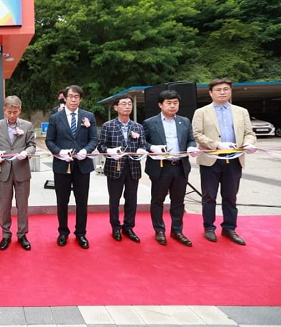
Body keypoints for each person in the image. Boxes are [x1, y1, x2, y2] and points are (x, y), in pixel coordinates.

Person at [192, 78, 257, 245]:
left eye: (226, 89)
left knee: (230, 196)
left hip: (234, 160)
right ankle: (209, 227)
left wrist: (248, 143)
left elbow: (249, 133)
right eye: (218, 90)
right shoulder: (201, 112)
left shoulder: (241, 111)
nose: (222, 92)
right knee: (209, 196)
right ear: (211, 93)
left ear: (230, 91)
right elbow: (197, 134)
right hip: (211, 159)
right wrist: (217, 145)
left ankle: (229, 228)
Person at [143, 90, 199, 247]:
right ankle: (159, 230)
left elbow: (190, 139)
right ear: (160, 105)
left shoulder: (184, 121)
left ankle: (177, 230)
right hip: (161, 167)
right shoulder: (150, 122)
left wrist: (191, 147)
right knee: (158, 200)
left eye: (175, 103)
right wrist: (152, 147)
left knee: (178, 201)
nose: (172, 106)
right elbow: (142, 142)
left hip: (180, 166)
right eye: (169, 103)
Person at [46, 85, 98, 249]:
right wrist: (60, 152)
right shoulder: (55, 118)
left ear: (80, 99)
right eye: (71, 96)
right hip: (62, 166)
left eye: (77, 97)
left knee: (82, 201)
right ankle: (63, 232)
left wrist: (86, 150)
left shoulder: (88, 116)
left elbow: (94, 139)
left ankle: (81, 233)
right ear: (65, 98)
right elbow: (49, 141)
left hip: (82, 165)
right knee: (62, 200)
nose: (73, 100)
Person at [0, 95, 36, 251]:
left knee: (22, 205)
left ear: (20, 110)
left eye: (15, 112)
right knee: (4, 205)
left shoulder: (27, 125)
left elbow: (32, 145)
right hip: (4, 170)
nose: (12, 115)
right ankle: (5, 234)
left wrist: (27, 152)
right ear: (4, 110)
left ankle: (22, 234)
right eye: (9, 112)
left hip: (22, 169)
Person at [97, 95, 148, 243]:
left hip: (133, 167)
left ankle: (128, 227)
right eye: (124, 103)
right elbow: (101, 146)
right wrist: (110, 151)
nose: (127, 106)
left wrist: (141, 151)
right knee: (114, 199)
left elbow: (143, 144)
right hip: (115, 166)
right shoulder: (108, 126)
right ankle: (115, 227)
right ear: (116, 107)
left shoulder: (138, 127)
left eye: (129, 104)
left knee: (132, 199)